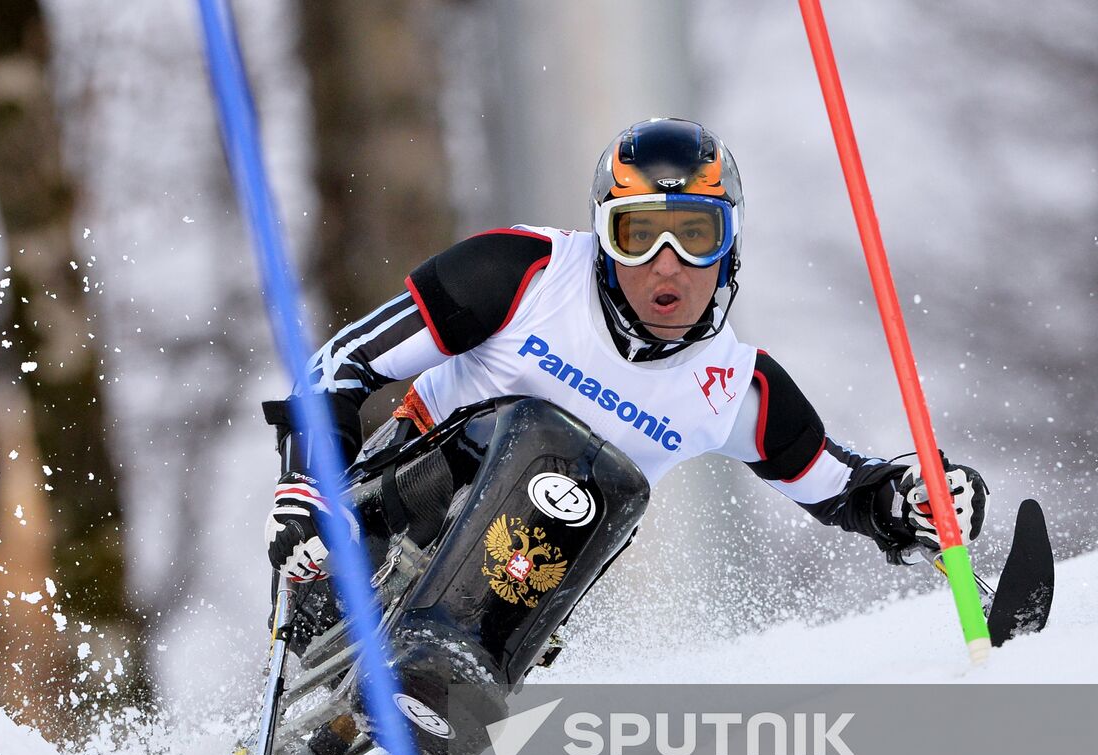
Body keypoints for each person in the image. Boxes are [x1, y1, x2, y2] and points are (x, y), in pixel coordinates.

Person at [263, 117, 986, 592]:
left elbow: (843, 488)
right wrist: (303, 489)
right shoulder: (523, 274)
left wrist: (914, 498)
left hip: (511, 581)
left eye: (695, 236)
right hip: (391, 503)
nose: (667, 266)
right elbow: (344, 362)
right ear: (602, 238)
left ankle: (439, 691)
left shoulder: (735, 387)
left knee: (588, 481)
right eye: (638, 234)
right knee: (532, 430)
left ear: (729, 247)